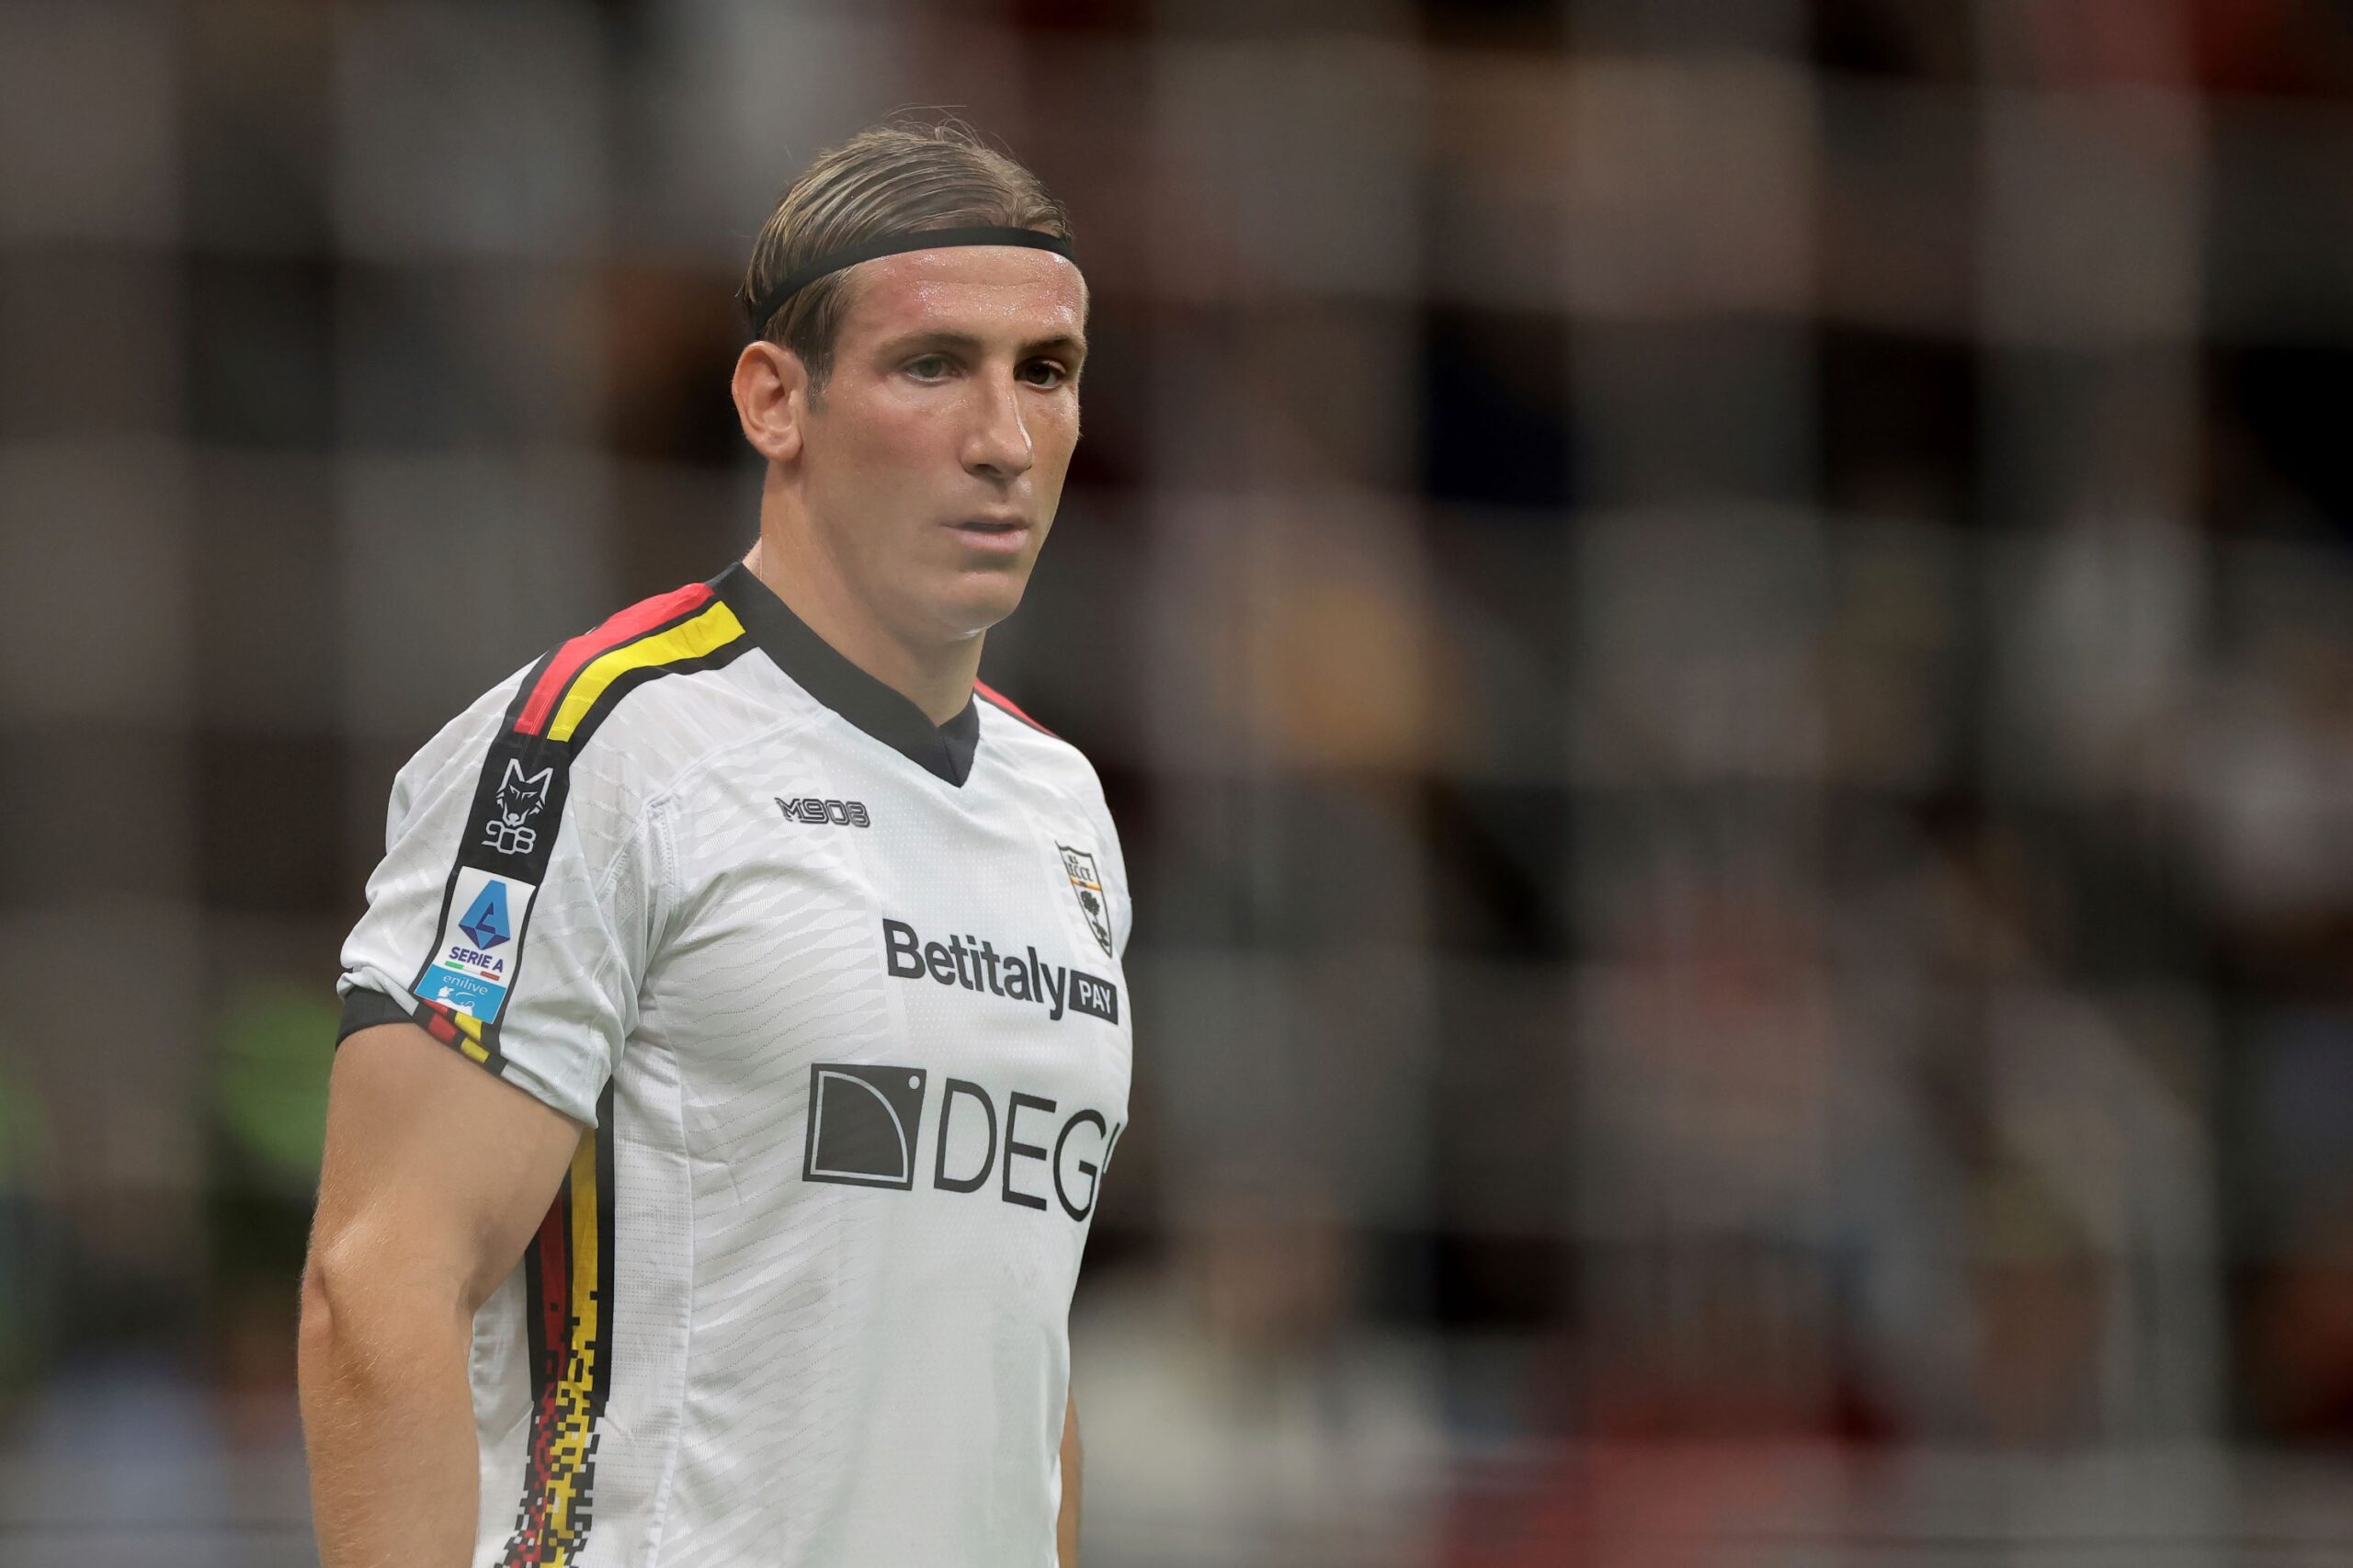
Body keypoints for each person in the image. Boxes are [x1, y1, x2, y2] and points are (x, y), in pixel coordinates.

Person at [299, 119, 1131, 1568]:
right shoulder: (602, 744)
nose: (1003, 438)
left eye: (1043, 373)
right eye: (932, 366)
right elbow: (378, 1284)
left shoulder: (1064, 806)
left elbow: (1009, 1345)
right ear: (773, 401)